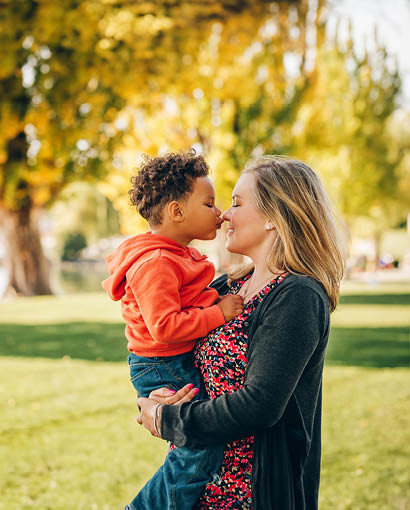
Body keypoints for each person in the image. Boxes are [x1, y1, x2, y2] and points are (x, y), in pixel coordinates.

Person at [137, 155, 346, 510]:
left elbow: (258, 405)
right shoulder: (227, 286)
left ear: (273, 216)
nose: (224, 215)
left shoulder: (297, 296)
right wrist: (157, 396)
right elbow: (171, 347)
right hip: (194, 490)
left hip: (249, 496)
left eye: (236, 203)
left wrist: (168, 419)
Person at [101, 151, 243, 510]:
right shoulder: (157, 262)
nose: (220, 213)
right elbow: (165, 326)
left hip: (169, 360)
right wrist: (220, 313)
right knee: (199, 447)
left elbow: (188, 299)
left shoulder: (172, 254)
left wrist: (219, 292)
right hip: (163, 364)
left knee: (197, 447)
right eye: (209, 203)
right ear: (176, 212)